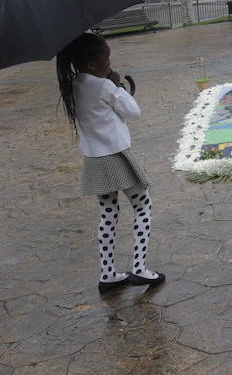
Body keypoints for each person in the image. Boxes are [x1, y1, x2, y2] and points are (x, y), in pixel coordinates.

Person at [56, 33, 164, 294]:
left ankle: (108, 273)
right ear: (92, 63)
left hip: (94, 157)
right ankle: (139, 268)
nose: (109, 62)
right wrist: (117, 86)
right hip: (116, 155)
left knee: (109, 212)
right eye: (106, 57)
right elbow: (133, 112)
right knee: (143, 206)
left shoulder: (73, 84)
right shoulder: (104, 86)